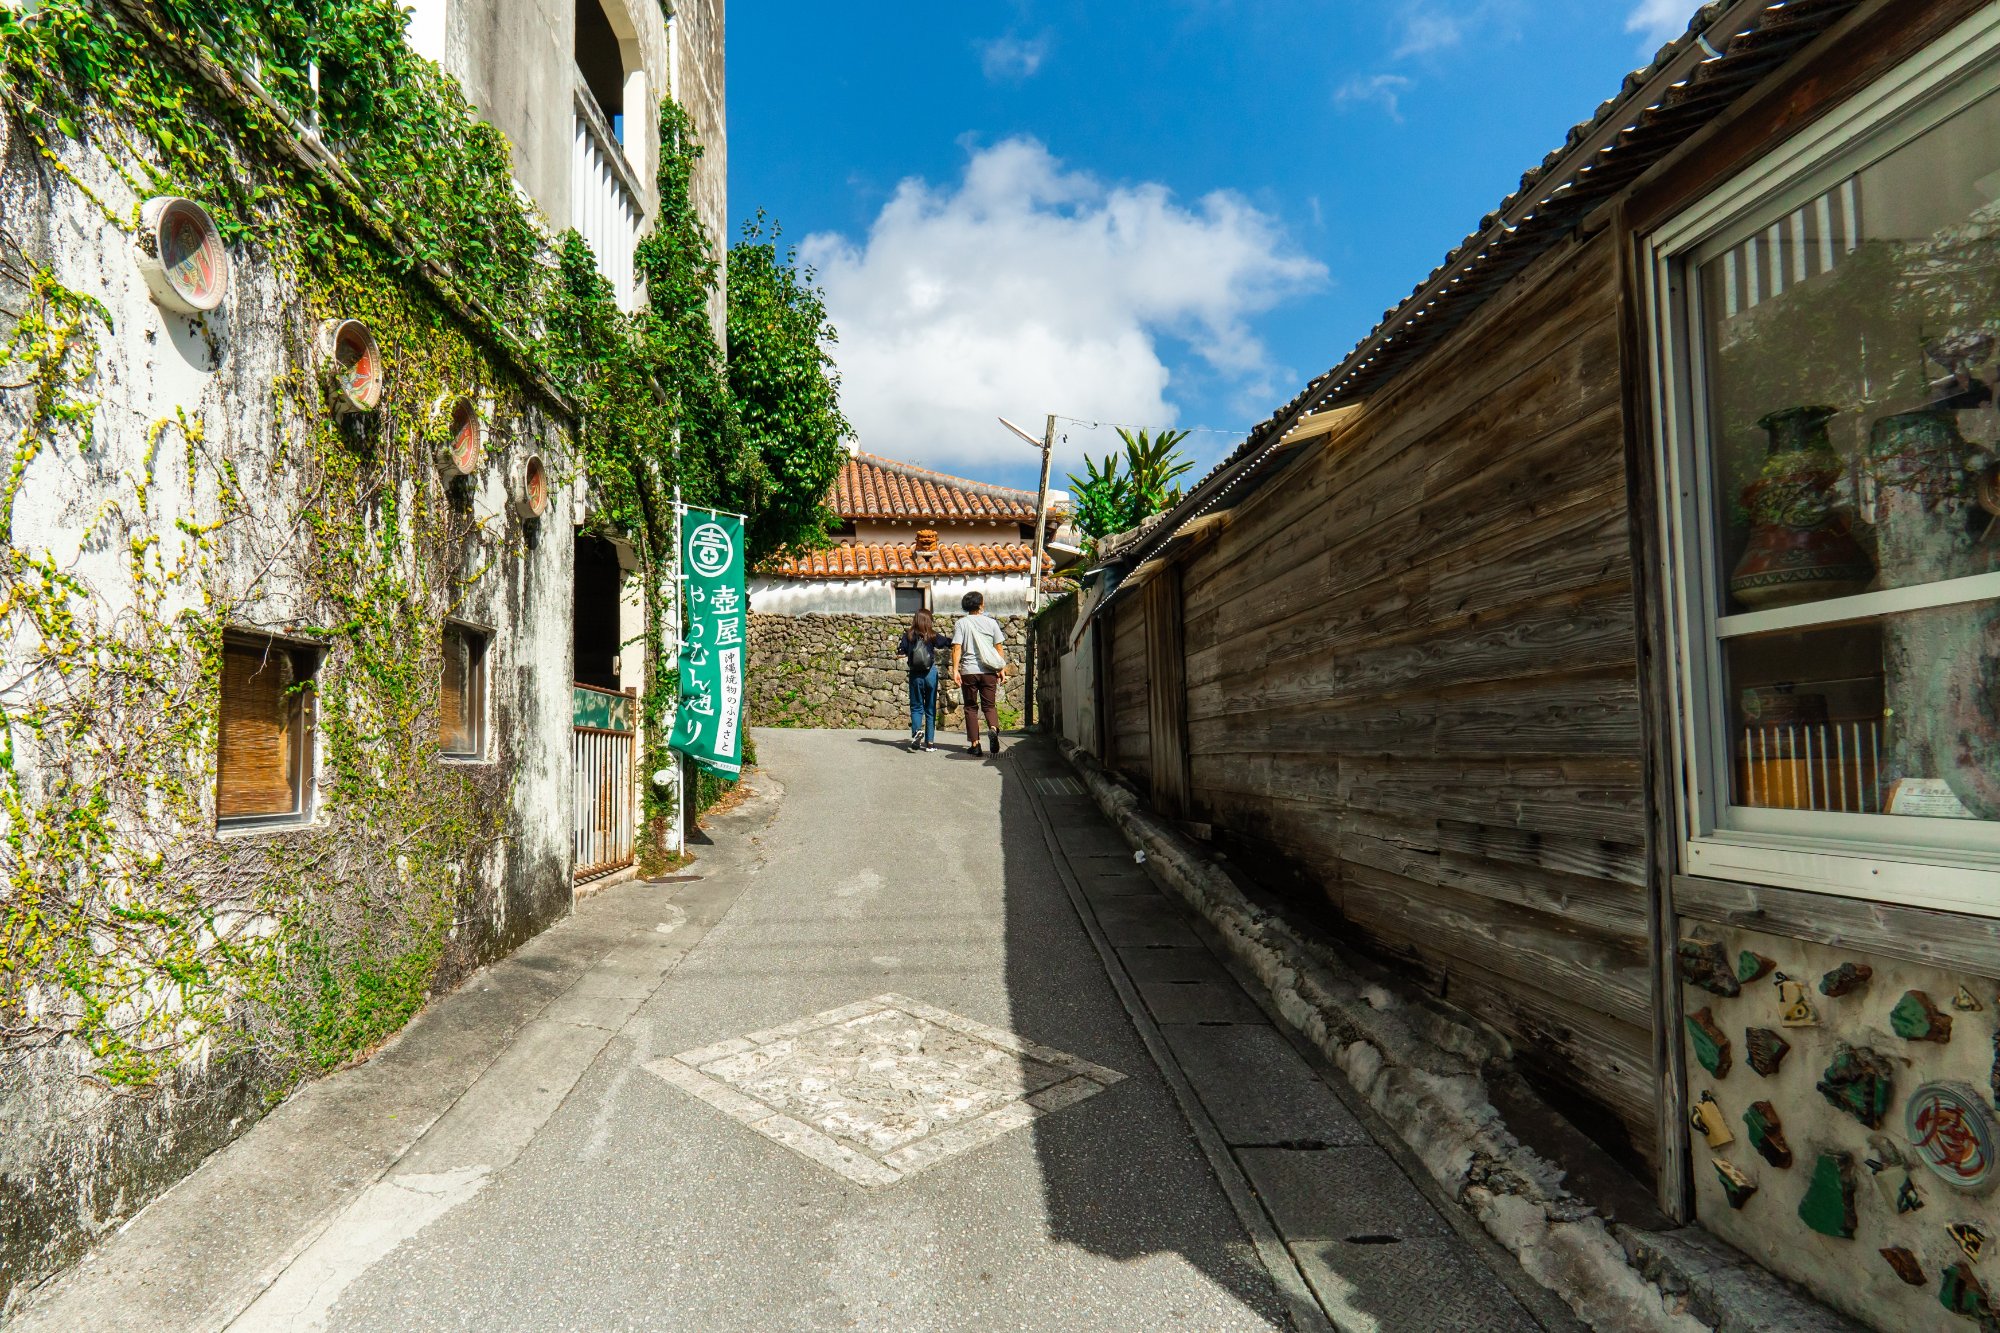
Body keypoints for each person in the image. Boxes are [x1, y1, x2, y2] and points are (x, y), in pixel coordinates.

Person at [949, 590, 1007, 755]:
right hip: (989, 671)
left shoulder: (961, 623)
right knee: (989, 705)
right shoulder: (992, 623)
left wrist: (955, 670)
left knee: (970, 707)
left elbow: (957, 647)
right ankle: (993, 729)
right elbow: (998, 648)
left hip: (969, 671)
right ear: (981, 604)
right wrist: (1001, 668)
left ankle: (975, 745)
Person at [896, 608, 951, 752]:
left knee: (916, 707)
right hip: (930, 674)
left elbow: (900, 652)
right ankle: (930, 743)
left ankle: (917, 734)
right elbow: (947, 643)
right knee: (930, 708)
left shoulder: (907, 636)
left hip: (915, 674)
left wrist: (905, 653)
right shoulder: (932, 635)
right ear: (928, 621)